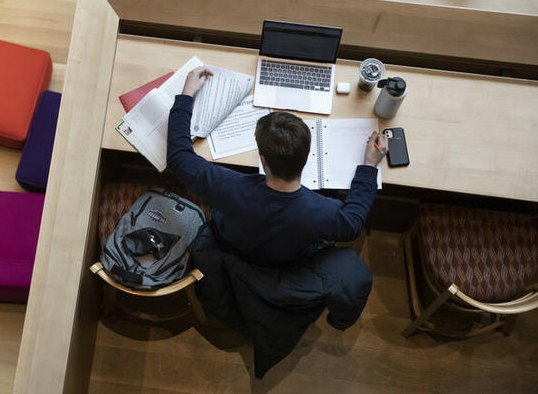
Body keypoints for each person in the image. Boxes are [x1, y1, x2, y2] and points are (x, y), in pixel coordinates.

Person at [166, 66, 387, 378]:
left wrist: (186, 94)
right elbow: (351, 225)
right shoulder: (320, 210)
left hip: (233, 250)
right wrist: (368, 166)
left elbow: (177, 156)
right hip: (287, 261)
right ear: (307, 157)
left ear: (264, 159)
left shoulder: (228, 186)